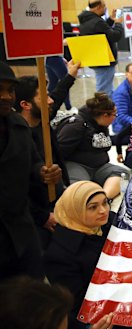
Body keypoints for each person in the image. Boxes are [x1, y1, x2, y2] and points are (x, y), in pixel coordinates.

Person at [0, 62, 62, 280]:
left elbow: (32, 163)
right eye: (0, 90)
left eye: (9, 90)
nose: (6, 96)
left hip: (22, 229)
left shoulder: (17, 125)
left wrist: (44, 172)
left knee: (32, 291)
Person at [43, 181, 113, 329]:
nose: (103, 211)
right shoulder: (60, 255)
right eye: (93, 207)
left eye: (105, 203)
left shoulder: (108, 224)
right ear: (75, 210)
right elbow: (75, 307)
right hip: (100, 316)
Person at [57, 93, 129, 199]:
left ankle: (104, 198)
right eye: (115, 115)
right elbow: (59, 152)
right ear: (105, 115)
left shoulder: (102, 125)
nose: (115, 118)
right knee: (80, 188)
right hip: (77, 165)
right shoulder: (76, 125)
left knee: (122, 174)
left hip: (99, 166)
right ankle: (91, 199)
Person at [78, 0, 123, 96]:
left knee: (106, 89)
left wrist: (110, 20)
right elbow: (115, 36)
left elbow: (102, 31)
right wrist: (118, 24)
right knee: (105, 92)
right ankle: (104, 110)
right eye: (104, 6)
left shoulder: (86, 20)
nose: (105, 8)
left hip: (97, 60)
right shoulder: (97, 22)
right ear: (98, 7)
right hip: (105, 61)